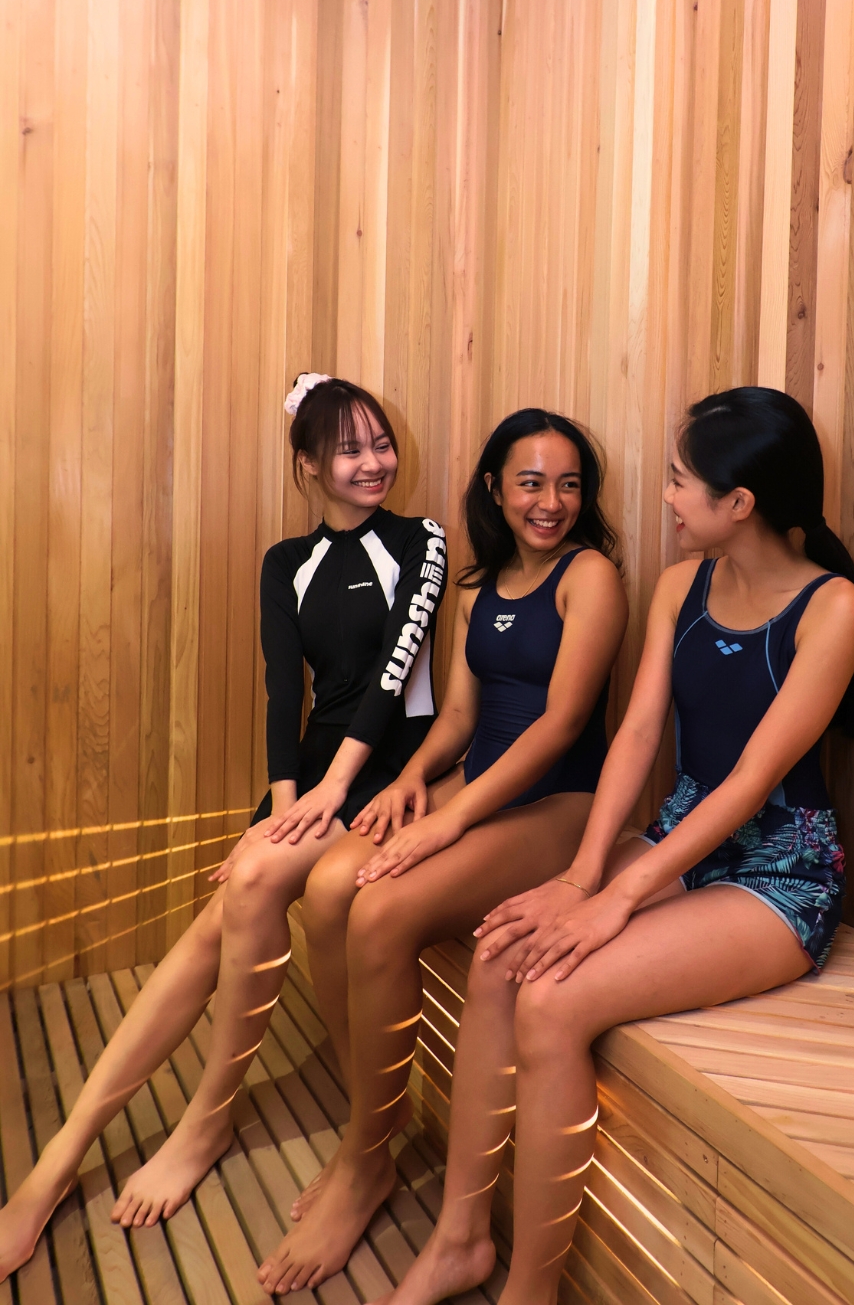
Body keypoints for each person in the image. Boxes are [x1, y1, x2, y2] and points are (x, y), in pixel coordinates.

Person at [378, 386, 854, 1305]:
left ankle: (531, 1290)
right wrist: (582, 874)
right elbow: (641, 733)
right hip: (680, 844)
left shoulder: (833, 607)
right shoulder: (683, 586)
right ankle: (459, 1239)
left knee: (553, 1003)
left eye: (683, 481)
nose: (668, 497)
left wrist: (615, 897)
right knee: (500, 952)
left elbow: (748, 783)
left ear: (740, 502)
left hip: (780, 877)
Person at [0, 374, 446, 1281]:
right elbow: (286, 692)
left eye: (381, 444)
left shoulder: (422, 541)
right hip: (313, 779)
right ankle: (55, 1167)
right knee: (218, 919)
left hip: (392, 767)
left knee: (245, 885)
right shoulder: (286, 562)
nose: (373, 463)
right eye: (350, 449)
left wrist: (330, 793)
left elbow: (397, 672)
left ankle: (204, 1120)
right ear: (307, 464)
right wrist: (282, 805)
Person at [256, 408, 629, 1296]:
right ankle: (369, 1127)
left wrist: (449, 822)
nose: (551, 502)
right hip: (480, 783)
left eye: (569, 485)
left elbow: (562, 724)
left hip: (562, 805)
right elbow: (460, 717)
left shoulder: (590, 578)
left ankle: (366, 1158)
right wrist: (414, 781)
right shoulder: (480, 584)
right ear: (495, 489)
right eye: (531, 483)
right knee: (333, 885)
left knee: (382, 909)